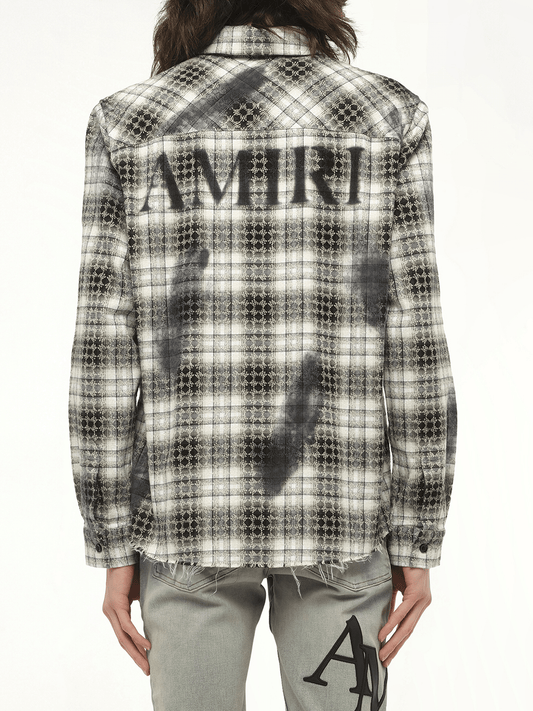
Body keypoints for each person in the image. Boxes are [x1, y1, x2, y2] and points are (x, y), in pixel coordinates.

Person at [68, 1, 457, 709]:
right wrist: (416, 536)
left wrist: (113, 542)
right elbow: (414, 338)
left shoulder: (127, 122)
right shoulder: (389, 117)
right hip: (342, 513)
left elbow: (103, 349)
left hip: (187, 516)